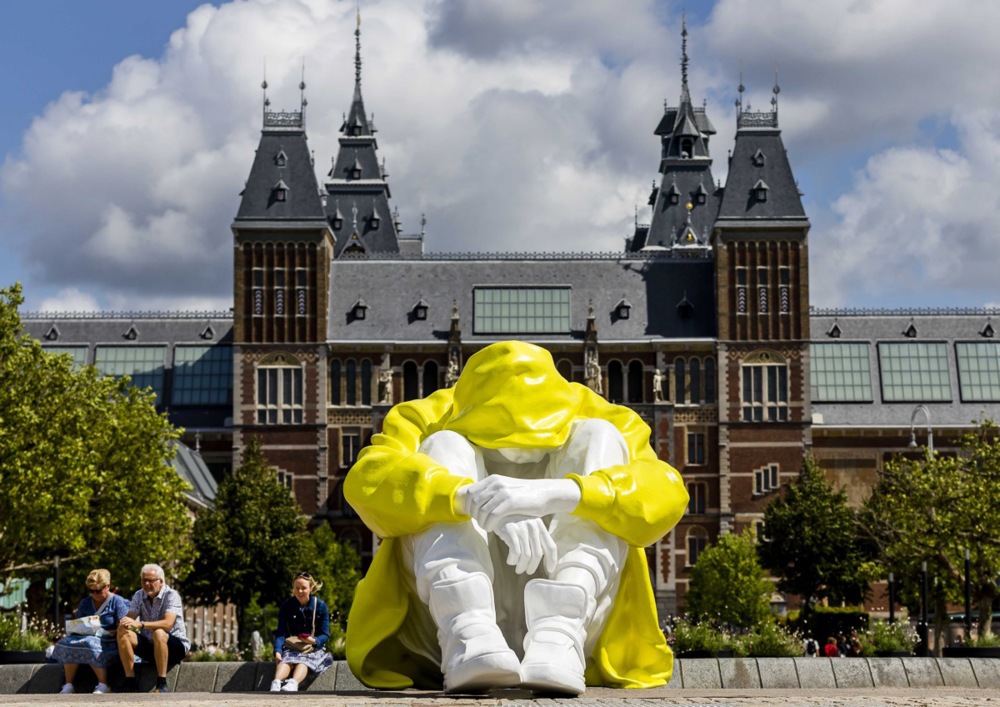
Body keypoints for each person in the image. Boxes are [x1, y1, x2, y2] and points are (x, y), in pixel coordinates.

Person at [344, 341, 688, 695]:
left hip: (581, 629)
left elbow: (667, 494)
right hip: (438, 632)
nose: (516, 462)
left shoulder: (599, 414)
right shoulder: (429, 415)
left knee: (600, 437)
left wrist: (557, 494)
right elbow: (365, 481)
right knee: (442, 445)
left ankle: (559, 631)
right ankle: (467, 628)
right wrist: (470, 498)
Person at [52, 569, 131, 694]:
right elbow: (78, 623)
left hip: (109, 640)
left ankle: (103, 684)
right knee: (66, 642)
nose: (95, 594)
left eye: (98, 591)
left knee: (89, 643)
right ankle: (68, 684)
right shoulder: (85, 602)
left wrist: (110, 632)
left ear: (108, 586)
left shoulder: (117, 602)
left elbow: (124, 627)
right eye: (91, 591)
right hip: (87, 636)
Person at [116, 564, 190, 693]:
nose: (146, 584)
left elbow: (168, 624)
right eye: (144, 580)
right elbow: (129, 618)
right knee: (123, 631)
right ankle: (130, 681)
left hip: (174, 648)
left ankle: (162, 682)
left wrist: (142, 624)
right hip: (151, 646)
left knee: (159, 632)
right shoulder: (138, 595)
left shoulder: (172, 595)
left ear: (161, 582)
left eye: (150, 580)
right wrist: (123, 623)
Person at [269, 572, 334, 692]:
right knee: (286, 660)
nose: (299, 592)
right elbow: (280, 632)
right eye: (296, 588)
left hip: (312, 648)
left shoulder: (320, 606)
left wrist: (314, 641)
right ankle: (276, 683)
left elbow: (325, 634)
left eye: (303, 588)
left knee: (303, 662)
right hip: (293, 646)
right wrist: (277, 651)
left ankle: (293, 683)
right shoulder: (287, 605)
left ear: (311, 588)